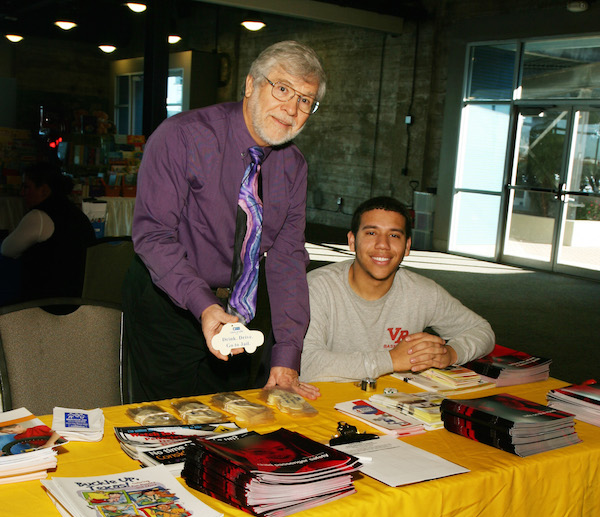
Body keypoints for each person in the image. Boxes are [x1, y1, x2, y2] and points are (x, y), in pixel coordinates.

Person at [122, 40, 326, 402]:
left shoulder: (293, 166)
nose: (291, 108)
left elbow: (288, 258)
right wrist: (203, 306)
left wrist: (287, 353)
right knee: (167, 424)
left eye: (305, 100)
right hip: (168, 302)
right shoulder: (182, 136)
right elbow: (153, 236)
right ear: (250, 84)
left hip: (239, 312)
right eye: (282, 88)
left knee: (229, 423)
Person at [300, 196, 496, 383]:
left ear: (407, 246)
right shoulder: (317, 287)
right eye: (371, 233)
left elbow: (481, 330)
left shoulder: (422, 292)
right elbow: (309, 365)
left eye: (394, 235)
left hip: (390, 403)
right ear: (352, 241)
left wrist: (450, 354)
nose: (383, 245)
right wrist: (392, 360)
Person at [0, 161, 95, 302]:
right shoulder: (76, 213)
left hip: (46, 301)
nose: (22, 193)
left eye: (26, 187)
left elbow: (6, 249)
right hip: (78, 299)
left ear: (44, 190)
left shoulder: (39, 216)